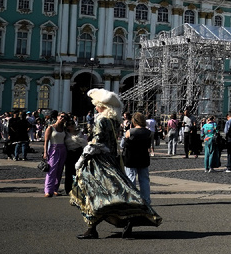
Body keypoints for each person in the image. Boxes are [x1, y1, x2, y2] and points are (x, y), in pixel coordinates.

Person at [71, 90, 161, 239]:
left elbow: (98, 142)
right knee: (116, 192)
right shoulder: (114, 121)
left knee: (93, 192)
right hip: (112, 159)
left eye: (97, 105)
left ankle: (92, 228)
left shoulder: (101, 120)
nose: (96, 108)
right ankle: (126, 220)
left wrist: (83, 157)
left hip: (100, 162)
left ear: (101, 106)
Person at [123, 113, 155, 206]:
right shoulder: (148, 132)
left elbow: (123, 144)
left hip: (131, 158)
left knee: (131, 179)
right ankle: (146, 200)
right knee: (144, 180)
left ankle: (132, 200)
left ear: (134, 121)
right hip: (143, 157)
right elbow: (149, 145)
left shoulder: (130, 131)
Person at [42, 111, 68, 197]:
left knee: (59, 171)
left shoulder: (64, 129)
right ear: (57, 117)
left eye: (65, 117)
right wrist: (45, 152)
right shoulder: (50, 128)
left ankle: (55, 189)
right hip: (54, 149)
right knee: (51, 170)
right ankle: (48, 190)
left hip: (63, 149)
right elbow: (46, 141)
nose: (63, 118)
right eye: (61, 116)